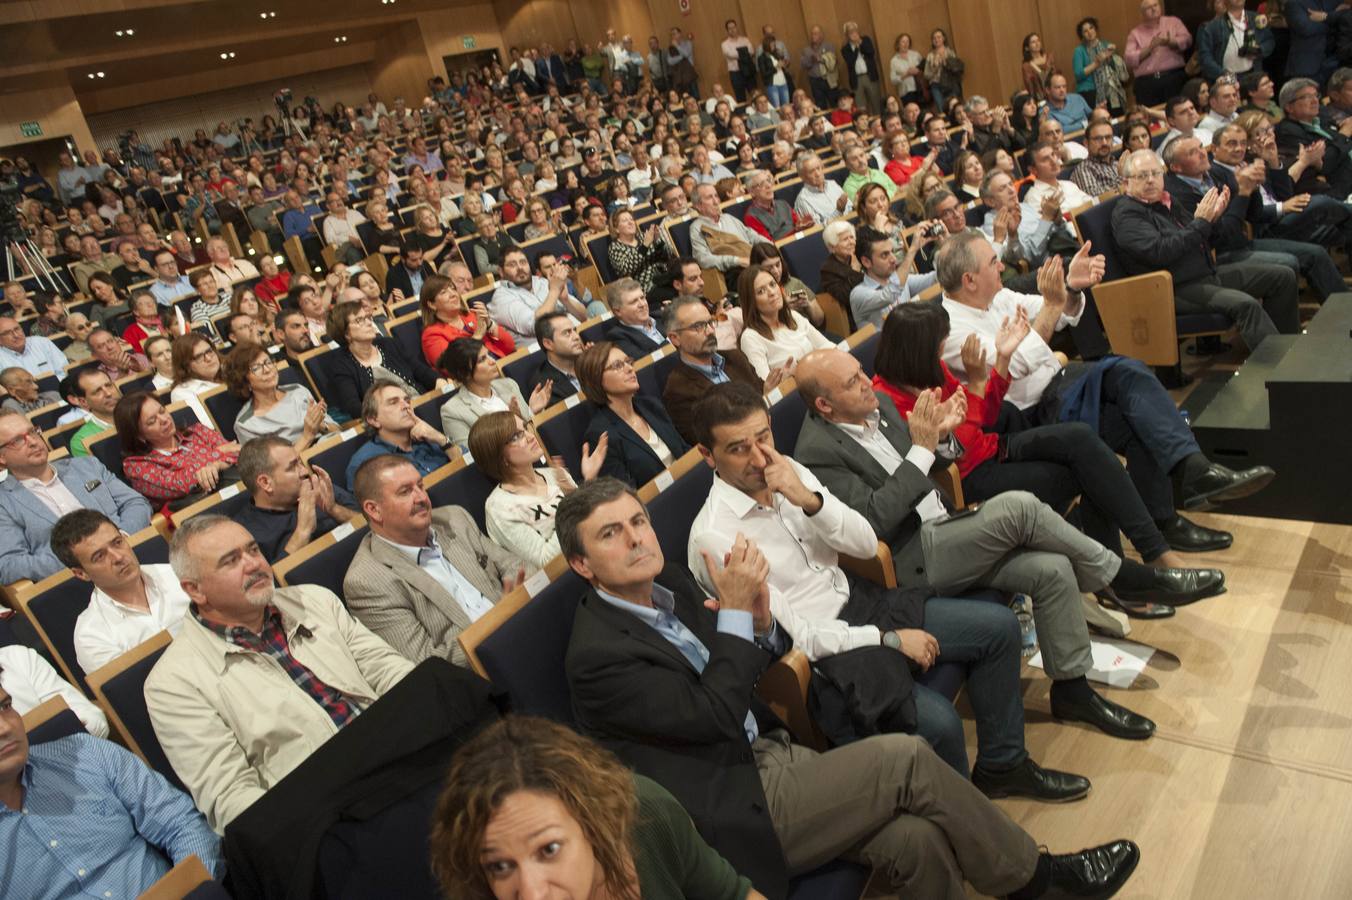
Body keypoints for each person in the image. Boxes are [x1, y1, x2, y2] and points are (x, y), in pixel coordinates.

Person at [560, 478, 1141, 900]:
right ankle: (1039, 882)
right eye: (611, 534)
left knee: (915, 841)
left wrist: (759, 624)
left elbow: (735, 672)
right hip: (731, 804)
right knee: (908, 760)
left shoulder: (667, 589)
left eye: (638, 521)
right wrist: (739, 617)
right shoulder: (597, 656)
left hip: (770, 755)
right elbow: (713, 714)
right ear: (582, 563)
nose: (636, 539)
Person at [938, 229, 1276, 542]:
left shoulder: (996, 297)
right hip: (1027, 415)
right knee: (1130, 381)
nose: (1001, 267)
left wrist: (1069, 287)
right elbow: (1019, 360)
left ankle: (1168, 517)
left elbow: (1057, 312)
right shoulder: (951, 330)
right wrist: (1053, 307)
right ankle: (1193, 476)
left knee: (1137, 406)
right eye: (993, 263)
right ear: (969, 280)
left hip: (1058, 384)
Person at [144, 514, 415, 831]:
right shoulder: (173, 684)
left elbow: (387, 668)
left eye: (253, 550)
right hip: (330, 813)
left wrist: (424, 714)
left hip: (402, 748)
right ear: (196, 590)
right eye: (231, 561)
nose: (254, 564)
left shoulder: (313, 600)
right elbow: (231, 798)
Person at [430, 715, 763, 900]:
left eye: (549, 849)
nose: (532, 894)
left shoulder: (645, 814)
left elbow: (732, 895)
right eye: (500, 867)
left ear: (593, 824)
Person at [0, 683, 224, 897]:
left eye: (5, 706)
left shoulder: (85, 754)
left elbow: (181, 824)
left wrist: (192, 891)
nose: (6, 727)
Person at [343, 454, 524, 666]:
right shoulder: (367, 582)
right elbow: (427, 663)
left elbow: (515, 565)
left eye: (420, 485)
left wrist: (519, 604)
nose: (421, 497)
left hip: (526, 625)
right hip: (485, 672)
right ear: (374, 510)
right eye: (405, 492)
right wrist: (502, 619)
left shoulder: (454, 518)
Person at [1114, 148, 1300, 350]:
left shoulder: (1166, 200)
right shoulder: (1128, 214)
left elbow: (1205, 239)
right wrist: (1202, 222)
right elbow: (1161, 252)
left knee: (1282, 276)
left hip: (1204, 273)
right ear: (1126, 183)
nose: (1150, 180)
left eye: (1155, 173)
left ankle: (1289, 348)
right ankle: (1279, 368)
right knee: (1246, 305)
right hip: (1174, 287)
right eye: (1142, 176)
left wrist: (1214, 219)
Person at [1163, 135, 1345, 302]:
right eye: (1192, 152)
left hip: (1241, 243)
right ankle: (1282, 334)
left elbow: (1254, 214)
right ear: (1176, 167)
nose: (1203, 153)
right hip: (1217, 256)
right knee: (1288, 264)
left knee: (1316, 253)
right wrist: (1242, 192)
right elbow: (1226, 236)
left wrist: (1254, 186)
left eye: (1201, 147)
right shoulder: (1179, 195)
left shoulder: (1213, 174)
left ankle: (1343, 311)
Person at [0, 410, 151, 583]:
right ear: (1, 457)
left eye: (33, 432)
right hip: (78, 582)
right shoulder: (4, 503)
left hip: (134, 554)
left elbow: (136, 502)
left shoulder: (86, 465)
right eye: (18, 440)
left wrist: (118, 541)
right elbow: (9, 565)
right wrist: (83, 559)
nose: (33, 442)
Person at [48, 509, 192, 676]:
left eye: (117, 542)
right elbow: (131, 694)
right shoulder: (91, 637)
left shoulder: (179, 573)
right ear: (81, 573)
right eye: (99, 556)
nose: (118, 557)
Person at [473, 411, 607, 569]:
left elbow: (593, 518)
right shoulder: (499, 507)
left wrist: (584, 488)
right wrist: (575, 498)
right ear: (499, 455)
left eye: (525, 428)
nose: (530, 436)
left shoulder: (555, 475)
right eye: (516, 436)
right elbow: (546, 561)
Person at [577, 341, 689, 487]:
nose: (630, 368)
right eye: (618, 366)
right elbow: (627, 493)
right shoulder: (601, 435)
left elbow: (684, 450)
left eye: (628, 362)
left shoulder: (651, 405)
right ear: (596, 380)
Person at [235, 436, 358, 561]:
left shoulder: (317, 486)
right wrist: (303, 531)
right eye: (293, 467)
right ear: (266, 482)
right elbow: (271, 579)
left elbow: (371, 523)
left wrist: (334, 509)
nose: (305, 471)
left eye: (300, 462)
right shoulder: (246, 534)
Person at [116, 392, 239, 505]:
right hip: (200, 512)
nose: (164, 420)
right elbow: (180, 484)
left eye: (162, 411)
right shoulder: (136, 466)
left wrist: (217, 465)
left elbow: (239, 451)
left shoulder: (198, 431)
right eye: (152, 421)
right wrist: (220, 452)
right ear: (139, 435)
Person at [326, 300, 441, 420]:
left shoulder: (388, 344)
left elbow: (420, 371)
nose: (369, 323)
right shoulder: (341, 365)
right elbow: (354, 407)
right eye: (359, 320)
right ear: (346, 334)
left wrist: (438, 381)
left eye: (367, 317)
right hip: (391, 421)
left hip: (421, 405)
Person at [223, 342, 332, 450]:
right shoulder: (247, 424)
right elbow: (271, 467)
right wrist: (307, 436)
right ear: (244, 381)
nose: (267, 369)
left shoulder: (297, 390)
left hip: (331, 445)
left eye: (268, 362)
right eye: (256, 368)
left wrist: (322, 425)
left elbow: (338, 430)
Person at [738, 265, 834, 379]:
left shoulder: (792, 315)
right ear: (751, 301)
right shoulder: (750, 338)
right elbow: (767, 386)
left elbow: (826, 345)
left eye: (772, 285)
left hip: (823, 375)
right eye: (761, 291)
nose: (772, 292)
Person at [0, 642, 108, 735]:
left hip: (81, 750)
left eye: (7, 706)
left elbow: (93, 720)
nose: (6, 729)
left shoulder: (18, 658)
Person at [489, 248, 587, 348]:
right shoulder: (501, 298)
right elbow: (534, 326)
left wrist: (565, 299)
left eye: (523, 262)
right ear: (501, 271)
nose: (520, 268)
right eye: (512, 265)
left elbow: (584, 317)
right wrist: (554, 291)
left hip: (578, 338)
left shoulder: (542, 282)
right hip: (547, 352)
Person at [849, 225, 940, 330]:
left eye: (892, 252)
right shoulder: (858, 294)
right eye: (884, 255)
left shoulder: (900, 279)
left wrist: (946, 243)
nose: (893, 259)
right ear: (866, 262)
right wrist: (912, 250)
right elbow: (889, 294)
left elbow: (936, 278)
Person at [1275, 77, 1352, 198]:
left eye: (1316, 95)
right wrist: (1344, 134)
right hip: (1337, 192)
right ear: (1289, 107)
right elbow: (1325, 163)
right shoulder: (1288, 131)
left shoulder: (1322, 121)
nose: (1315, 100)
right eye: (1306, 97)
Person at [419, 273, 514, 367]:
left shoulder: (472, 315)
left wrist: (489, 324)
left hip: (503, 365)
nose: (453, 294)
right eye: (443, 292)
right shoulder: (432, 335)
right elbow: (452, 367)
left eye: (453, 289)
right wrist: (477, 336)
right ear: (432, 304)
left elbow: (510, 346)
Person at [1127, 0, 1192, 106]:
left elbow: (1188, 40)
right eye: (1149, 8)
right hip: (1147, 83)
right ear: (1142, 13)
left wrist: (1170, 42)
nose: (1153, 9)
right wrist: (1150, 48)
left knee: (1179, 110)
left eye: (1155, 5)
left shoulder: (1173, 22)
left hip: (1173, 77)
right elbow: (1129, 59)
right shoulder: (1135, 33)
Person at [689, 183, 756, 282]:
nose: (716, 201)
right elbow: (703, 259)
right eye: (709, 197)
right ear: (698, 206)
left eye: (716, 196)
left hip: (752, 260)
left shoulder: (728, 218)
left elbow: (752, 236)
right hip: (734, 271)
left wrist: (771, 246)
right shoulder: (696, 228)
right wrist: (736, 261)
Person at [1197, 0, 1274, 81]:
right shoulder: (1213, 27)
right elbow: (1205, 57)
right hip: (1226, 79)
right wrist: (1223, 74)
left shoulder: (1255, 18)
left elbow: (1269, 41)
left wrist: (1259, 50)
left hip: (1253, 76)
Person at [607, 209, 672, 294]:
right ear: (616, 229)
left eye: (631, 219)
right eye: (625, 221)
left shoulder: (642, 236)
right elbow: (626, 269)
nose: (630, 222)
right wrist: (644, 246)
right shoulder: (615, 247)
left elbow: (666, 258)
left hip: (662, 277)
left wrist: (657, 242)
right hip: (643, 288)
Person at [1072, 18, 1128, 114]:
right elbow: (1078, 75)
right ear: (1082, 35)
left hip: (1110, 89)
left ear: (1096, 29)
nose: (1089, 32)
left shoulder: (1105, 44)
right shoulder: (1079, 51)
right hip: (1090, 91)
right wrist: (1096, 63)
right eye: (1085, 31)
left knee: (1117, 116)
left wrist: (1112, 56)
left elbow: (1115, 68)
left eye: (1091, 28)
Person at [602, 278, 667, 359]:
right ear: (618, 311)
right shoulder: (617, 337)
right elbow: (646, 361)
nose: (642, 304)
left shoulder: (661, 316)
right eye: (634, 302)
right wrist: (674, 340)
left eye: (642, 298)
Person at [793, 153, 851, 226]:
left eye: (818, 168)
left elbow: (850, 207)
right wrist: (838, 211)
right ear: (802, 177)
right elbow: (817, 229)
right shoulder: (803, 200)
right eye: (811, 172)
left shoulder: (832, 184)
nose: (817, 174)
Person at [0, 315, 66, 377]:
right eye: (7, 333)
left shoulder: (41, 342)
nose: (16, 335)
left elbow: (64, 370)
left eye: (17, 329)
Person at [1071, 119, 1124, 196]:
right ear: (1086, 143)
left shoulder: (1117, 164)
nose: (1104, 143)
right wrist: (1122, 177)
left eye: (1108, 137)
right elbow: (1096, 197)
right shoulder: (1084, 169)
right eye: (1098, 139)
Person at [924, 28, 965, 114]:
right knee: (941, 108)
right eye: (934, 38)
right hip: (936, 85)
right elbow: (926, 75)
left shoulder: (950, 52)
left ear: (943, 38)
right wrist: (935, 68)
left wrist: (945, 62)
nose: (936, 40)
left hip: (950, 83)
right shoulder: (930, 55)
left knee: (954, 106)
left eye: (939, 37)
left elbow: (956, 68)